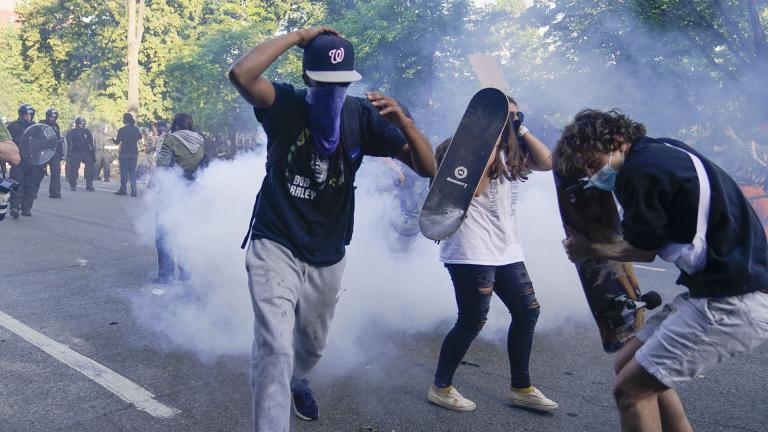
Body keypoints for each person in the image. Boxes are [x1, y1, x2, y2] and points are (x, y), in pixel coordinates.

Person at [228, 26, 435, 431]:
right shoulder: (285, 104)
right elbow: (241, 74)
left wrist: (406, 124)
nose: (333, 91)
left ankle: (299, 379)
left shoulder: (361, 115)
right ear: (307, 78)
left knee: (311, 345)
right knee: (273, 346)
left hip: (327, 251)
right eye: (325, 82)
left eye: (342, 83)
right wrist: (297, 36)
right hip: (276, 241)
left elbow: (427, 168)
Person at [557, 109, 768, 432]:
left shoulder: (638, 174)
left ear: (615, 142)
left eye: (592, 162)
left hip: (733, 303)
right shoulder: (664, 149)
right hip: (720, 290)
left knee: (631, 391)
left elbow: (642, 249)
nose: (590, 172)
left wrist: (588, 249)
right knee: (628, 364)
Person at [427, 98, 558, 413]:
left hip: (506, 250)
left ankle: (521, 388)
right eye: (504, 115)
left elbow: (547, 161)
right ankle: (441, 387)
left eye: (514, 115)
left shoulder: (512, 152)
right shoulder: (457, 149)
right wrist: (490, 135)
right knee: (472, 320)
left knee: (527, 312)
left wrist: (521, 128)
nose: (509, 121)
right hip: (471, 250)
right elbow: (474, 188)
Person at [152, 113, 206, 284]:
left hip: (172, 191)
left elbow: (161, 164)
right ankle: (185, 272)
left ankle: (166, 275)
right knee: (184, 231)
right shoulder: (200, 141)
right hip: (190, 192)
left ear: (175, 126)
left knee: (163, 232)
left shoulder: (171, 139)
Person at [7, 104, 46, 218]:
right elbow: (7, 142)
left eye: (30, 115)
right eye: (25, 115)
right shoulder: (13, 126)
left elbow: (44, 143)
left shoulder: (37, 128)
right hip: (18, 160)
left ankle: (26, 208)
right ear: (20, 114)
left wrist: (36, 144)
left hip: (33, 160)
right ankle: (14, 207)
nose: (28, 117)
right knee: (16, 183)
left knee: (31, 185)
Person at [115, 113, 143, 197]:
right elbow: (140, 137)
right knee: (132, 172)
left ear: (125, 120)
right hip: (134, 153)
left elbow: (117, 142)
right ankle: (134, 190)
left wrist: (112, 139)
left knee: (124, 172)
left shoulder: (121, 130)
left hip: (124, 153)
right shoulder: (136, 129)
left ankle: (123, 189)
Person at [65, 117, 96, 192]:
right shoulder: (72, 132)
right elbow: (67, 142)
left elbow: (91, 142)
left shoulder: (87, 131)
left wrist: (91, 150)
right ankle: (73, 185)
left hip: (86, 152)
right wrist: (69, 153)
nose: (82, 125)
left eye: (83, 124)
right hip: (76, 152)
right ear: (77, 124)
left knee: (90, 168)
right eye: (80, 124)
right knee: (74, 169)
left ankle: (89, 185)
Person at [40, 108, 64, 198]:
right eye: (51, 117)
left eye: (55, 117)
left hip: (53, 152)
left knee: (56, 172)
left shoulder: (56, 126)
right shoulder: (41, 124)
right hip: (43, 151)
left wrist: (60, 153)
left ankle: (55, 192)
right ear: (47, 116)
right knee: (39, 172)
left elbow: (58, 140)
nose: (53, 119)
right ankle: (32, 191)